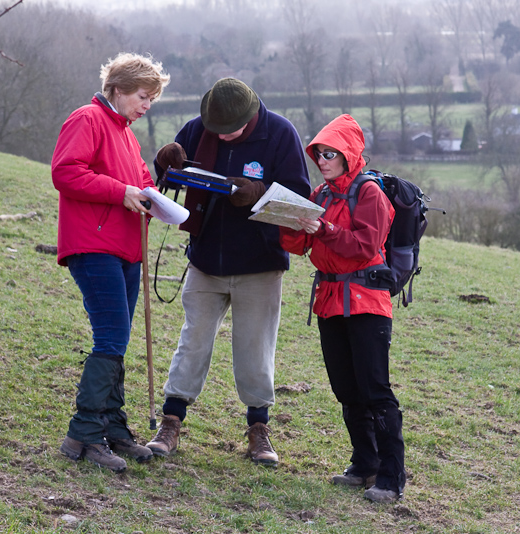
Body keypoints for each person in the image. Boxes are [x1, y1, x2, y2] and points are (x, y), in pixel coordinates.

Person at [145, 78, 311, 466]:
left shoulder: (280, 134)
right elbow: (172, 175)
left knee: (254, 349)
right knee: (193, 340)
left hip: (260, 263)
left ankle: (258, 429)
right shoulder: (200, 127)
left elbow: (298, 200)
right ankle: (171, 422)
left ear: (251, 116)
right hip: (206, 259)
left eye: (230, 130)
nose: (221, 136)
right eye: (215, 130)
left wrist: (257, 193)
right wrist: (164, 162)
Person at [51, 52, 170, 472]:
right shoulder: (87, 119)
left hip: (126, 249)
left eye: (151, 99)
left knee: (118, 339)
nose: (146, 105)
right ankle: (83, 433)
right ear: (117, 90)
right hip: (93, 245)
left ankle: (113, 426)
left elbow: (141, 181)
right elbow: (65, 172)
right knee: (111, 336)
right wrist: (120, 192)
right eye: (142, 96)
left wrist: (157, 188)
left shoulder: (126, 133)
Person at [279, 114, 406, 502]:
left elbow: (365, 247)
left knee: (375, 389)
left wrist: (325, 230)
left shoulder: (370, 194)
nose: (322, 159)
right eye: (318, 153)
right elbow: (300, 247)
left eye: (330, 152)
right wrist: (285, 221)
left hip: (367, 302)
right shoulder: (321, 194)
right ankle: (364, 464)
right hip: (330, 301)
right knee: (346, 389)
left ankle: (391, 476)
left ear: (349, 154)